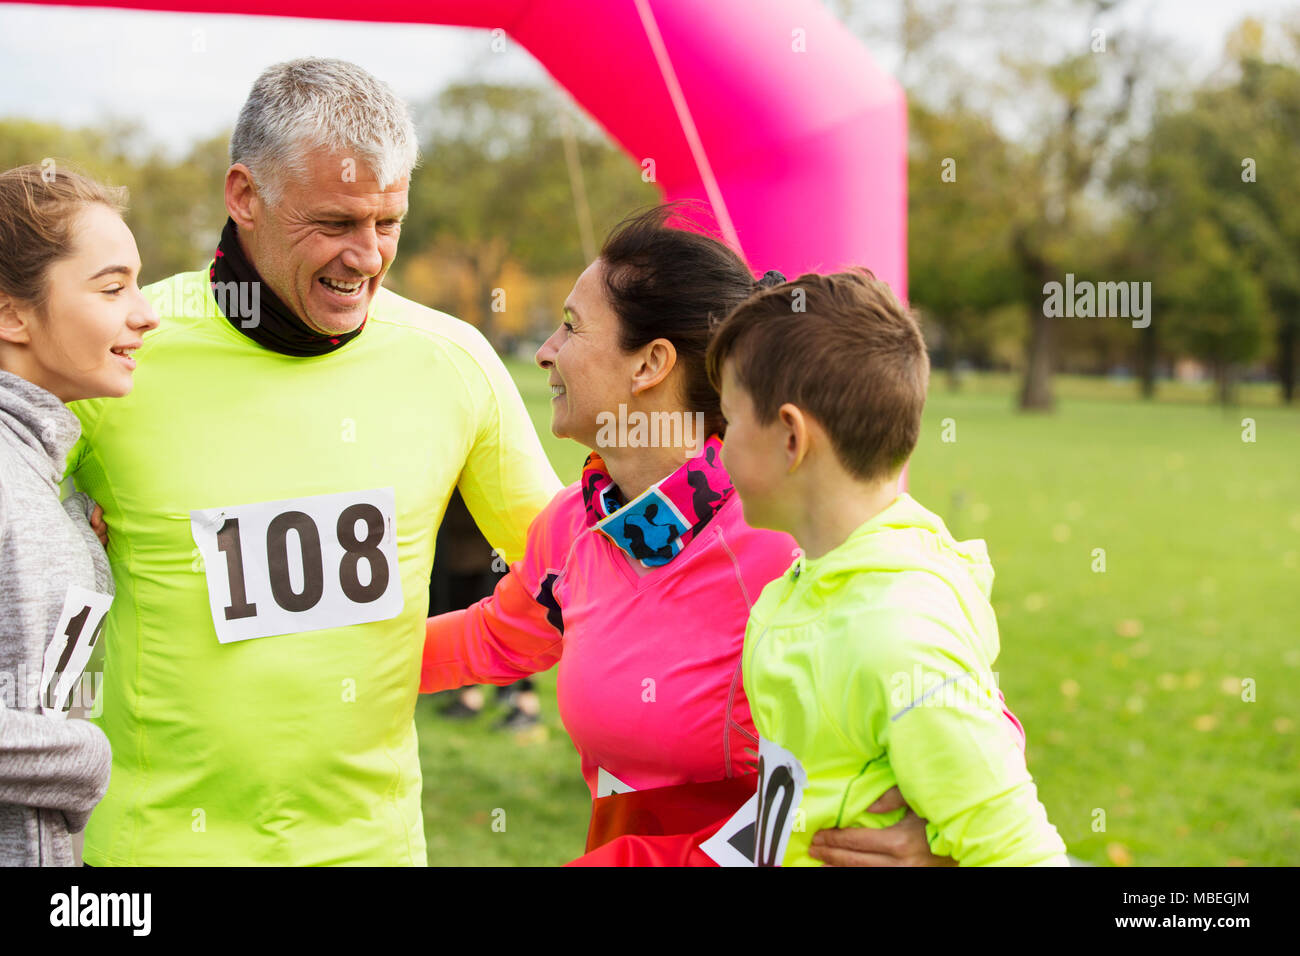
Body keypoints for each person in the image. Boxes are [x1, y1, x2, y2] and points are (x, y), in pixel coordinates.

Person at [64, 58, 560, 865]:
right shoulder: (121, 352)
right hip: (149, 855)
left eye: (387, 223)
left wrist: (424, 657)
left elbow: (572, 577)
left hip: (373, 851)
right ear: (244, 196)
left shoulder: (452, 360)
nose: (365, 256)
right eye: (334, 223)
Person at [421, 206, 1005, 865]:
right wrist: (337, 658)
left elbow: (962, 706)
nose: (546, 350)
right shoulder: (575, 521)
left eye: (571, 326)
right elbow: (498, 634)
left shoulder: (789, 538)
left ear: (651, 364)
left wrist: (939, 845)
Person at [708, 268, 1068, 865]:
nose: (718, 444)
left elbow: (1019, 850)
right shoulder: (805, 584)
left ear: (791, 437)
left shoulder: (898, 636)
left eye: (730, 419)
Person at [0, 163, 158, 865]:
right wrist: (83, 754)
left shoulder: (40, 468)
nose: (145, 311)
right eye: (112, 286)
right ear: (12, 313)